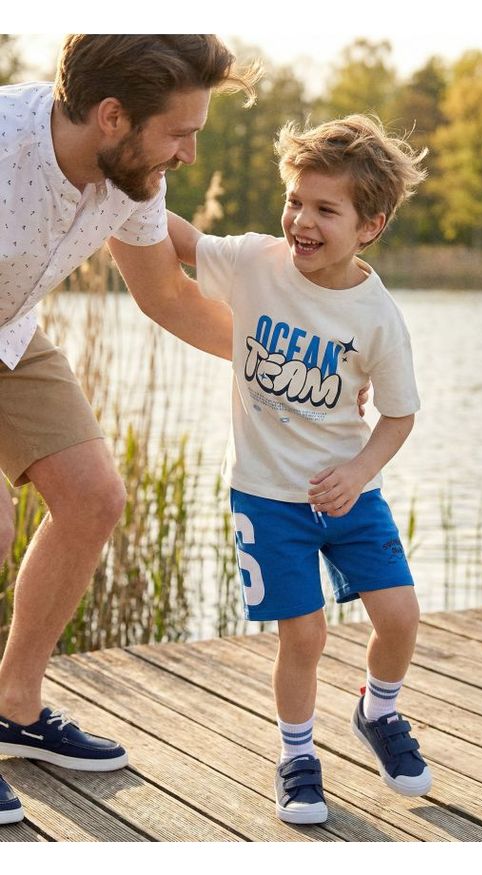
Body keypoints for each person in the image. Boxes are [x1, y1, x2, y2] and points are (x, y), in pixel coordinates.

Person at [0, 33, 260, 826]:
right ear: (113, 116)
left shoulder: (131, 175)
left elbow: (168, 298)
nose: (187, 154)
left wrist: (282, 369)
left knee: (92, 499)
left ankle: (13, 705)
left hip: (10, 332)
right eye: (180, 133)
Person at [168, 114, 432, 825]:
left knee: (401, 615)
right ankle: (296, 756)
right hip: (268, 497)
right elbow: (183, 240)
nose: (301, 221)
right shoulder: (256, 261)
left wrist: (360, 468)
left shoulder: (378, 317)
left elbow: (400, 414)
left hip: (350, 495)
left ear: (370, 225)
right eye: (295, 201)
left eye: (325, 209)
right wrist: (117, 188)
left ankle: (378, 712)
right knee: (305, 634)